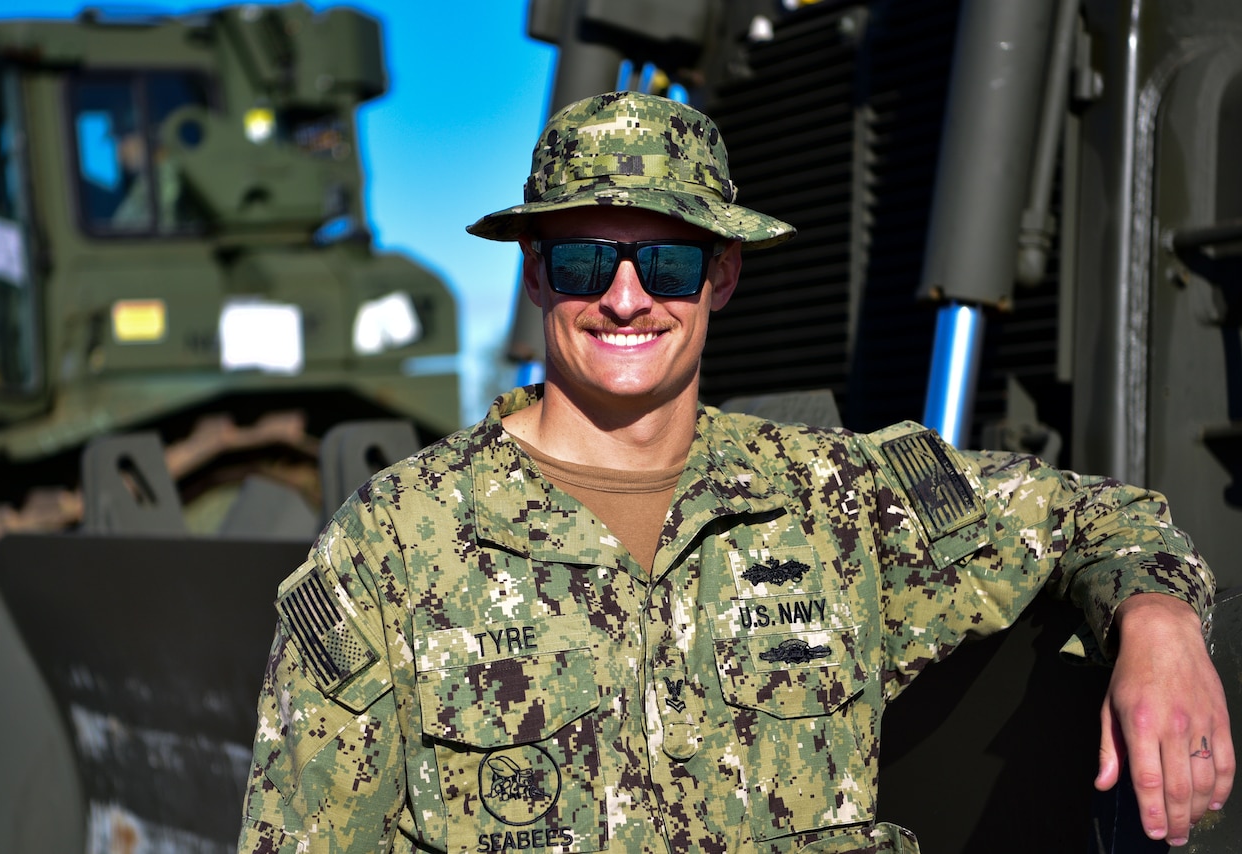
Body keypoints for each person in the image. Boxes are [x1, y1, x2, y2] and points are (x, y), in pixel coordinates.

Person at [237, 91, 1232, 853]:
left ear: (720, 276)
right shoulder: (391, 543)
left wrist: (1155, 621)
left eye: (665, 264)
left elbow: (1098, 517)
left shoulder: (835, 501)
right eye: (585, 261)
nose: (624, 300)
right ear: (535, 272)